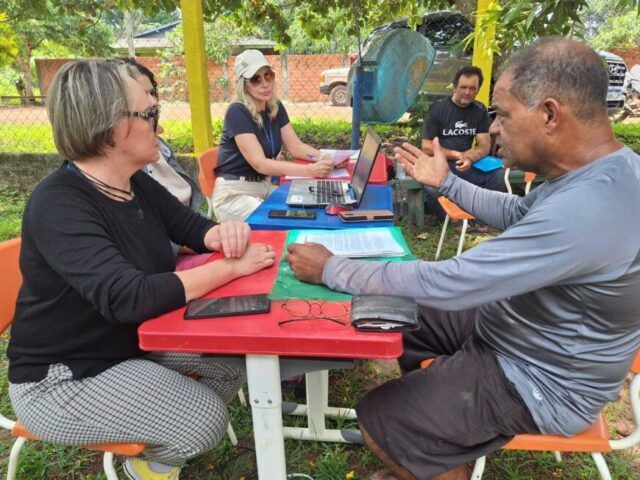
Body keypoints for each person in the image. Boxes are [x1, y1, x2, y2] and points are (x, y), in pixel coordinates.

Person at [285, 38, 640, 480]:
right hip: (517, 332)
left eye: (503, 115)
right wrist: (447, 183)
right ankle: (437, 439)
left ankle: (423, 439)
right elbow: (518, 212)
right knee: (398, 312)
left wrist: (331, 268)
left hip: (542, 380)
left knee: (383, 420)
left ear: (549, 114)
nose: (494, 129)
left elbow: (450, 282)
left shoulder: (591, 209)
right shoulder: (601, 172)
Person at [7, 59, 277, 480]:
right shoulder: (59, 205)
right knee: (204, 418)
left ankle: (167, 423)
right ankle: (151, 463)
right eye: (150, 113)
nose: (160, 125)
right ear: (108, 126)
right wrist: (232, 267)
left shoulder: (133, 181)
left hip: (129, 342)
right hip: (61, 378)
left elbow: (191, 227)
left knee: (230, 364)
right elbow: (129, 298)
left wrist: (225, 233)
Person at [213, 49, 334, 222]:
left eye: (268, 76)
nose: (264, 84)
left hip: (264, 188)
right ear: (243, 84)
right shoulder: (237, 111)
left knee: (311, 207)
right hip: (235, 194)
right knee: (285, 220)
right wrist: (309, 170)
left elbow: (296, 147)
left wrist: (324, 157)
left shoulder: (274, 106)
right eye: (256, 79)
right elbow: (260, 164)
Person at [422, 65, 503, 221]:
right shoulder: (437, 109)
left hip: (467, 165)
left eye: (472, 88)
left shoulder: (479, 110)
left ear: (477, 91)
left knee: (498, 175)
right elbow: (427, 146)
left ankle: (484, 219)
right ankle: (452, 222)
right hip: (442, 164)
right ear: (454, 88)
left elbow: (484, 145)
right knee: (432, 187)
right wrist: (457, 155)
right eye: (463, 87)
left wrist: (469, 157)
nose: (467, 92)